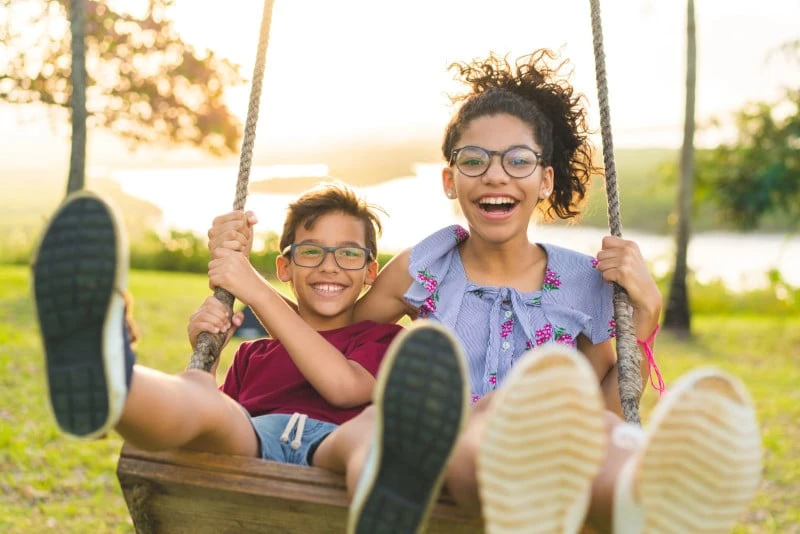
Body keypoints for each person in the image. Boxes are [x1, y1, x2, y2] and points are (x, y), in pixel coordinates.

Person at [214, 50, 762, 534]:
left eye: (518, 160)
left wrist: (644, 318)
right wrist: (239, 286)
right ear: (451, 180)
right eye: (474, 160)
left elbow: (610, 396)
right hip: (452, 460)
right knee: (484, 433)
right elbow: (331, 329)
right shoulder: (427, 266)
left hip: (550, 456)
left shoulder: (591, 282)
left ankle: (647, 493)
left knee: (589, 427)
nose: (496, 175)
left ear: (544, 180)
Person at [32, 185, 451, 473]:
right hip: (255, 443)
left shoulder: (382, 339)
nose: (330, 265)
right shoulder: (253, 355)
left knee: (375, 427)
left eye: (348, 254)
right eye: (310, 252)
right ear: (284, 268)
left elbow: (343, 387)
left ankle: (384, 498)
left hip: (336, 449)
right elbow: (213, 427)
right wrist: (203, 356)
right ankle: (114, 382)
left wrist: (249, 284)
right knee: (202, 399)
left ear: (370, 273)